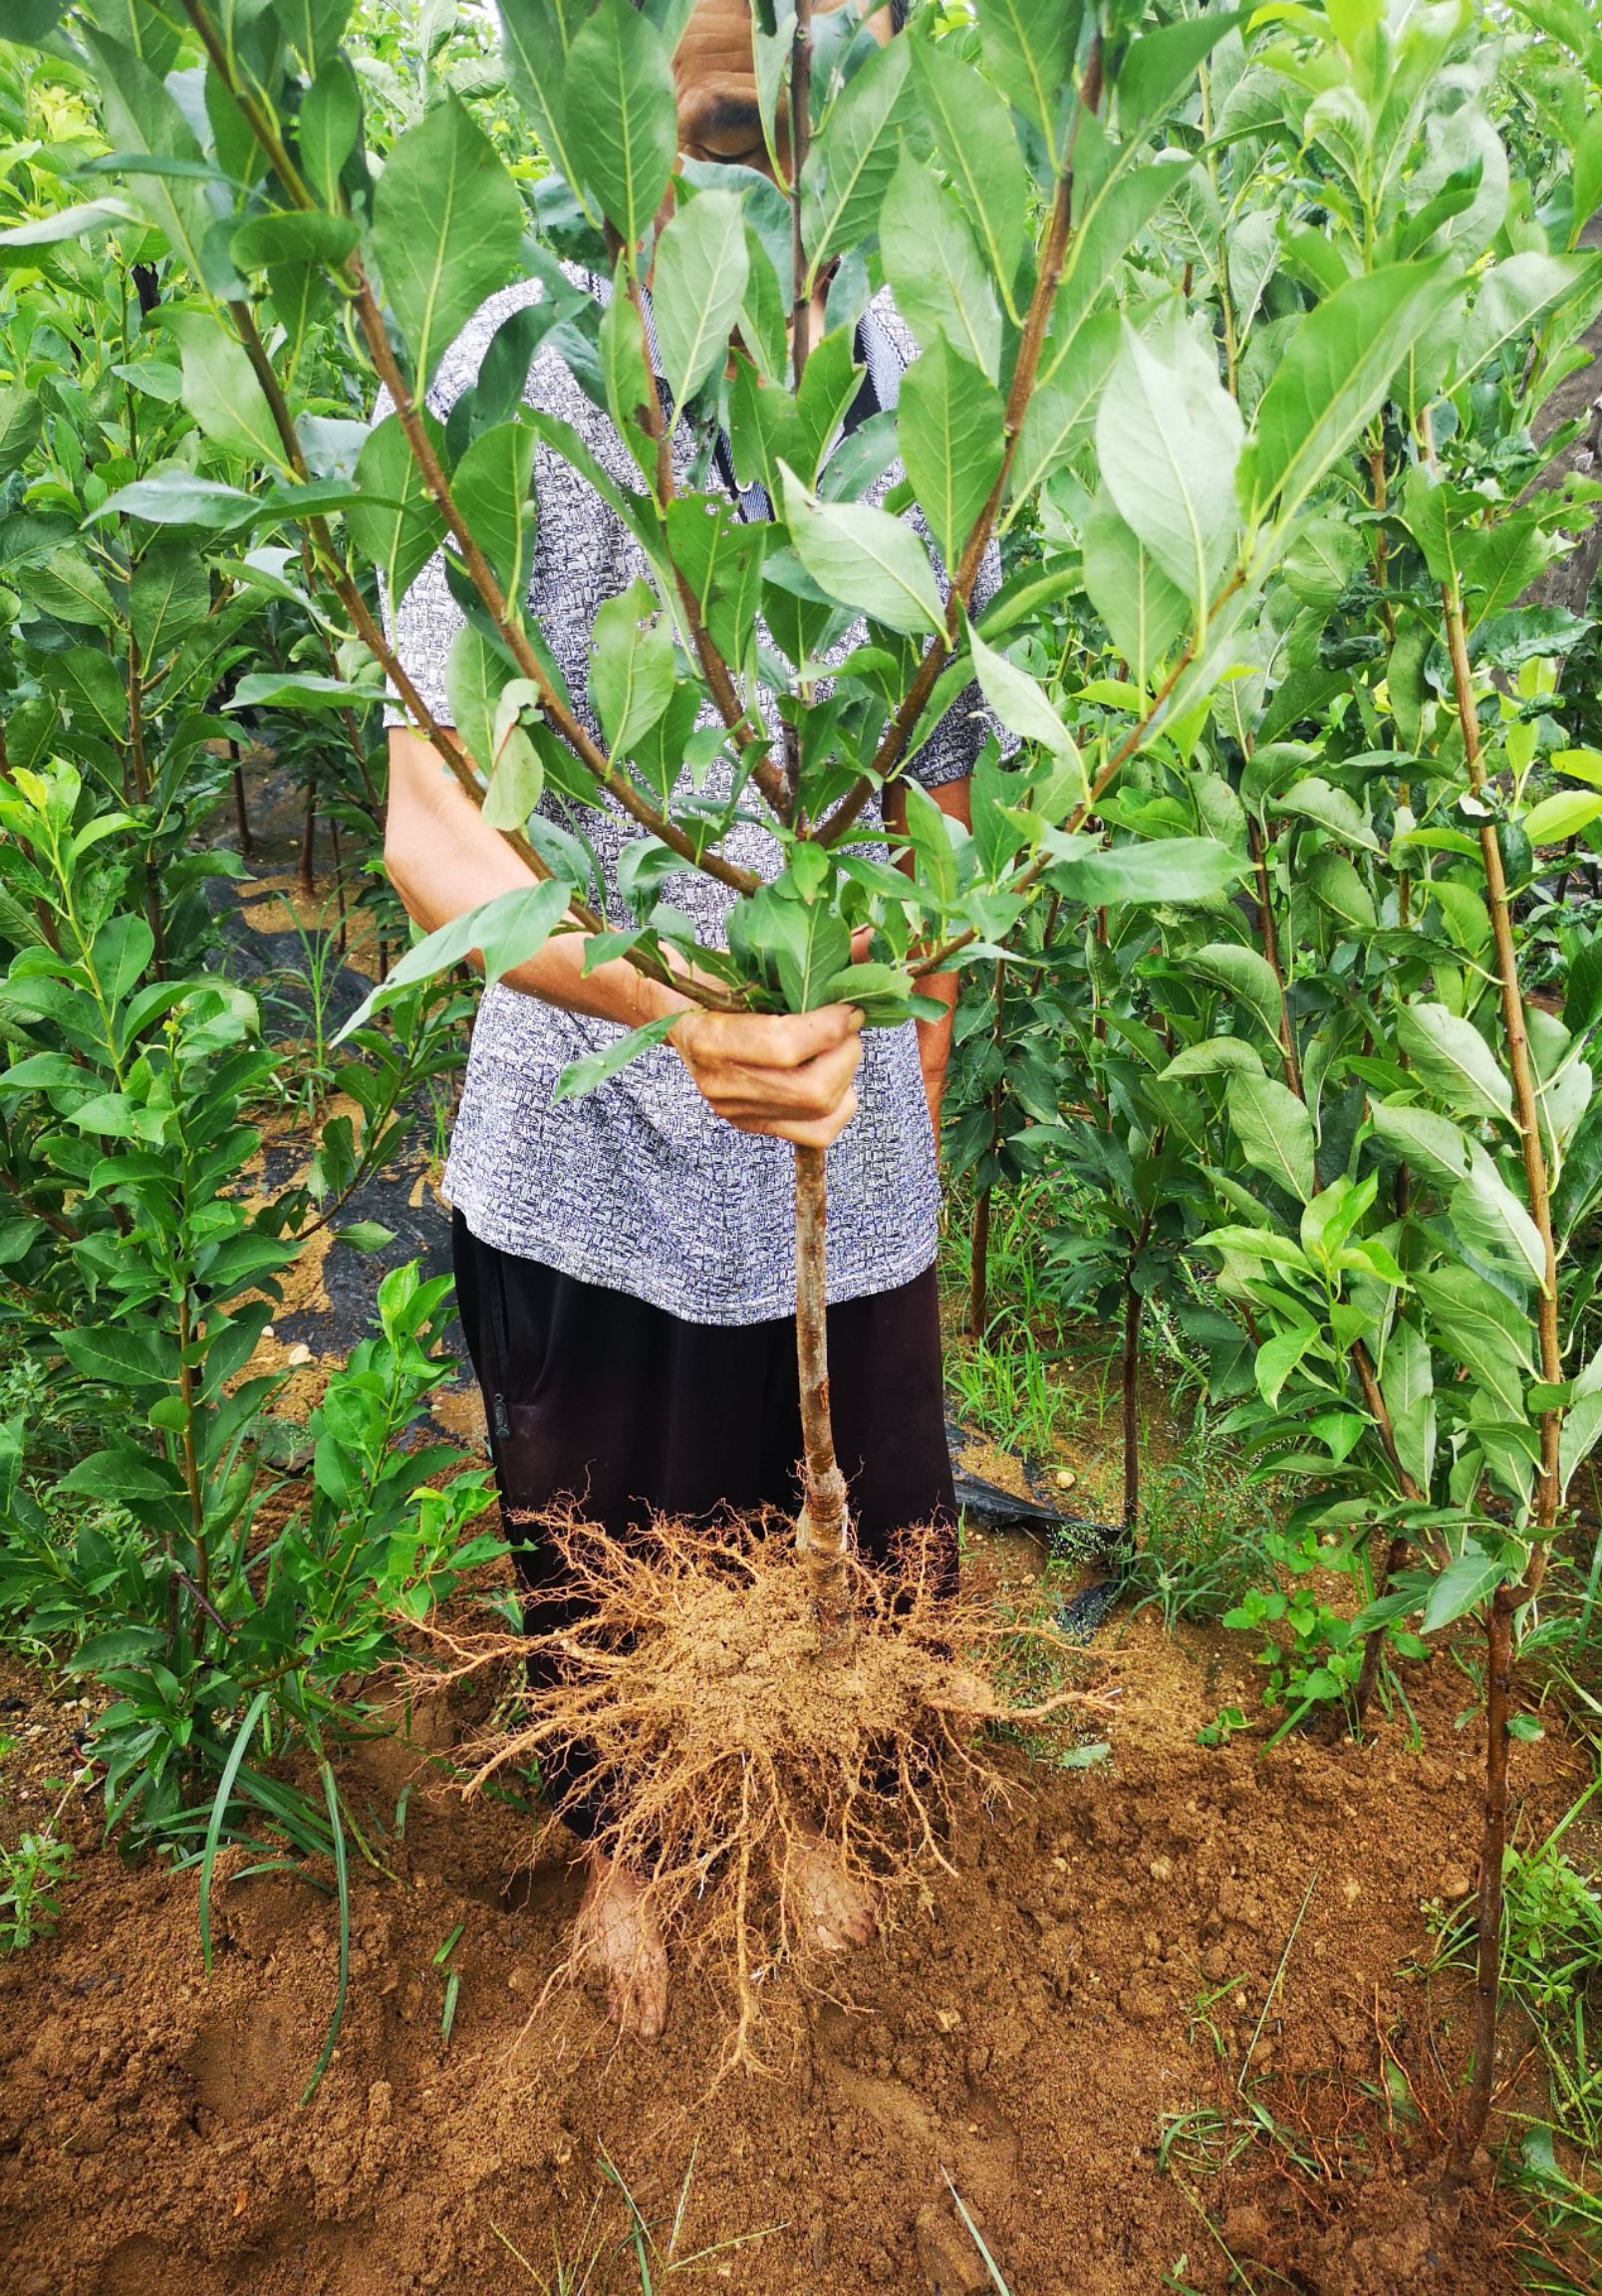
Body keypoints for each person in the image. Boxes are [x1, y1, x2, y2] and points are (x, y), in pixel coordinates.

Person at [382, 0, 990, 2041]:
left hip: (846, 1160)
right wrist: (670, 1004)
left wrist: (906, 1020)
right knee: (601, 1539)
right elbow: (431, 833)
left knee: (848, 1524)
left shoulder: (931, 372)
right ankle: (633, 1854)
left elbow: (951, 789)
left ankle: (804, 1807)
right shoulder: (500, 366)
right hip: (587, 1129)